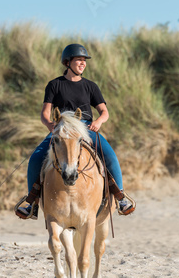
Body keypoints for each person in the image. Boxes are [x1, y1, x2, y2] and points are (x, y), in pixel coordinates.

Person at [17, 43, 135, 218]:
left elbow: (104, 112)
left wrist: (99, 122)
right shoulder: (54, 85)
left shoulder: (91, 86)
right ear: (68, 62)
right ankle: (31, 203)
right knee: (35, 158)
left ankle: (120, 197)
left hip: (86, 128)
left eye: (84, 61)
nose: (83, 63)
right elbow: (44, 114)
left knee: (110, 156)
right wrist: (50, 125)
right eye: (79, 60)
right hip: (62, 129)